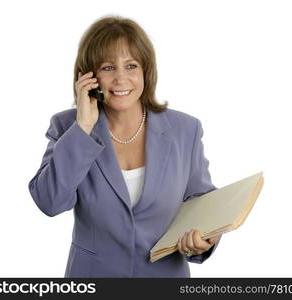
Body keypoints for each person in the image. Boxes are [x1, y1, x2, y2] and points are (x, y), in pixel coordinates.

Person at [28, 15, 222, 278]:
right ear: (88, 76)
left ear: (146, 72)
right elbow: (50, 202)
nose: (121, 79)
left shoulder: (185, 129)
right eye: (108, 68)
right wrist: (83, 128)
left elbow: (202, 204)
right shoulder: (68, 127)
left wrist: (204, 239)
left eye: (131, 66)